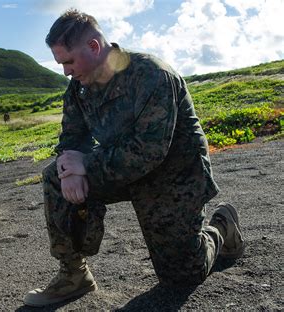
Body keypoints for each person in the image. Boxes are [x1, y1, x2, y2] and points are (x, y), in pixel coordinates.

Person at [24, 9, 245, 307]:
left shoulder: (152, 75)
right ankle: (73, 274)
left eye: (69, 61)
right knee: (55, 175)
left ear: (93, 47)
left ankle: (221, 227)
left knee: (182, 275)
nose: (65, 71)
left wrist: (86, 165)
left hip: (174, 172)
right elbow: (72, 137)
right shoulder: (79, 87)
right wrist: (71, 168)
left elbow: (150, 150)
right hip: (120, 166)